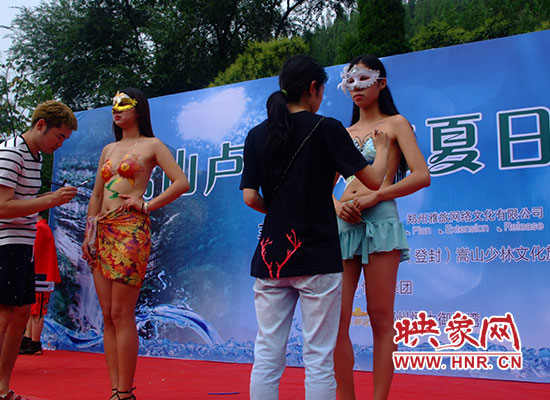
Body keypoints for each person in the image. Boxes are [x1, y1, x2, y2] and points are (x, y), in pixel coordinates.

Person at [240, 54, 390, 400]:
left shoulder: (256, 135)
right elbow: (373, 180)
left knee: (267, 353)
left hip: (271, 257)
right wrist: (381, 149)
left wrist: (282, 210)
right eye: (322, 90)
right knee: (319, 358)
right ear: (313, 88)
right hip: (317, 255)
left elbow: (250, 197)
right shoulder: (326, 128)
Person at [81, 88, 189, 400]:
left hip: (130, 230)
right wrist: (89, 233)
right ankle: (116, 390)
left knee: (121, 312)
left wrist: (147, 204)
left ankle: (125, 391)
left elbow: (181, 182)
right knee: (107, 315)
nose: (116, 110)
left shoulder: (153, 145)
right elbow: (97, 195)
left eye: (123, 104)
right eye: (113, 105)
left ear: (138, 109)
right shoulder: (108, 149)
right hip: (102, 231)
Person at [333, 55, 431, 400]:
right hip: (344, 223)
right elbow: (320, 186)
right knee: (336, 318)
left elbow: (421, 176)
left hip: (381, 221)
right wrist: (338, 207)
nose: (356, 87)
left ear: (381, 82)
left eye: (364, 79)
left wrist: (377, 196)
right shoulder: (342, 133)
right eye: (350, 81)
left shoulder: (396, 124)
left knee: (380, 316)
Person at [0, 100, 78, 400]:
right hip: (6, 242)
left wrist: (48, 199)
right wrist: (50, 200)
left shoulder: (34, 157)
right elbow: (3, 206)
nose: (60, 144)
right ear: (41, 125)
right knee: (5, 314)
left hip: (23, 243)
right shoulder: (11, 152)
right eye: (59, 136)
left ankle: (3, 387)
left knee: (21, 314)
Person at [19, 213, 60, 356]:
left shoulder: (41, 228)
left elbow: (34, 251)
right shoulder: (39, 227)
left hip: (41, 274)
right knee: (33, 309)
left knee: (38, 310)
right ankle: (28, 338)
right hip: (37, 274)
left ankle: (35, 342)